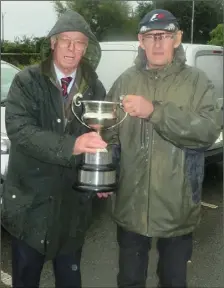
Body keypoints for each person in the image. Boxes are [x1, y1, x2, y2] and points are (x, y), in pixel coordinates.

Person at [105, 9, 221, 288]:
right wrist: (105, 166)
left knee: (172, 281)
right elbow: (110, 133)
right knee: (129, 280)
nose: (157, 43)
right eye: (150, 36)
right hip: (131, 206)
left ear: (177, 39)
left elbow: (207, 131)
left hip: (177, 207)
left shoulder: (197, 82)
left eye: (165, 35)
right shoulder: (125, 81)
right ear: (140, 41)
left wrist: (154, 111)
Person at [2, 10, 110, 288]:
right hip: (30, 207)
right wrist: (72, 145)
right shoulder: (26, 81)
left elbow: (104, 135)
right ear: (53, 43)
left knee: (70, 280)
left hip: (71, 208)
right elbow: (20, 130)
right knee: (26, 281)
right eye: (66, 41)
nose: (73, 50)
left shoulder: (94, 87)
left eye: (80, 43)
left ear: (88, 47)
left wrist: (104, 173)